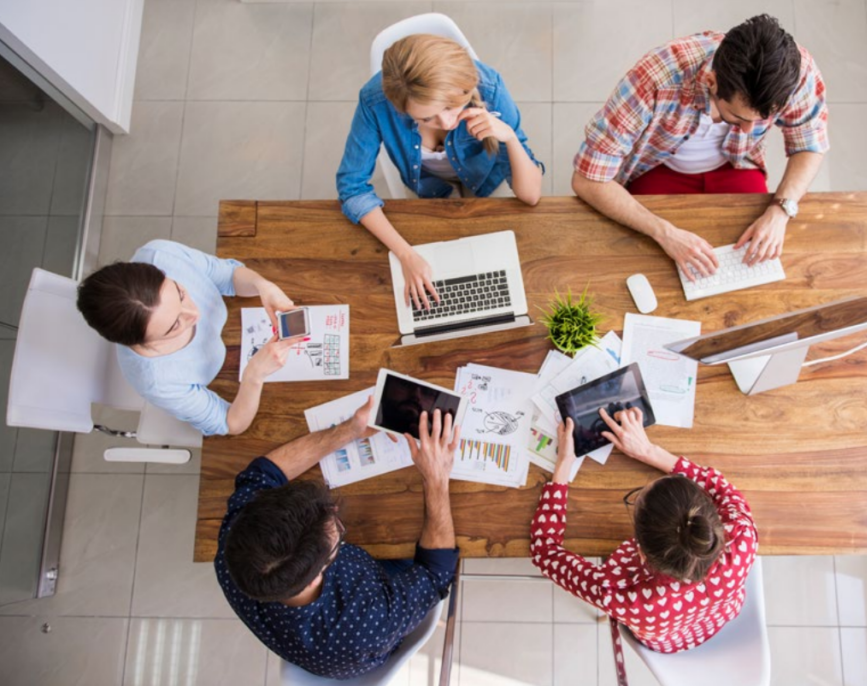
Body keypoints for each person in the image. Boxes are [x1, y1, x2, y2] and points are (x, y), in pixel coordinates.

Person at [571, 14, 828, 280]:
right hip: (657, 168)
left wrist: (781, 210)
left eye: (761, 120)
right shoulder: (654, 78)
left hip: (736, 164)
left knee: (757, 272)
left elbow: (810, 143)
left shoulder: (796, 72)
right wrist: (664, 232)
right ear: (711, 82)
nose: (751, 130)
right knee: (647, 268)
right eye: (739, 117)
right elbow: (587, 180)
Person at [216, 401, 460, 679]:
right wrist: (437, 477)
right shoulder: (370, 621)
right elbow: (437, 573)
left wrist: (348, 431)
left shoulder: (236, 545)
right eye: (337, 533)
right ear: (317, 576)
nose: (334, 512)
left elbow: (261, 474)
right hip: (365, 630)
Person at [530, 408, 757, 671]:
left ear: (640, 552)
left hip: (667, 643)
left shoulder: (621, 595)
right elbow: (719, 486)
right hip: (719, 617)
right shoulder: (742, 535)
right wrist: (647, 451)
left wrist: (564, 464)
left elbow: (544, 551)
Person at [336, 34, 544, 311]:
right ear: (401, 108)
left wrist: (510, 138)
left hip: (486, 179)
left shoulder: (490, 86)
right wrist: (406, 255)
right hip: (426, 186)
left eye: (450, 107)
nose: (447, 121)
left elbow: (530, 195)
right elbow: (352, 188)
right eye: (425, 118)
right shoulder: (375, 101)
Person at [76, 239, 294, 436]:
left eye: (180, 294)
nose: (195, 313)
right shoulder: (158, 381)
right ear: (143, 342)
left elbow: (227, 274)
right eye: (174, 326)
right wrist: (253, 376)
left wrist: (263, 285)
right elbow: (232, 423)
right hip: (225, 379)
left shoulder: (161, 254)